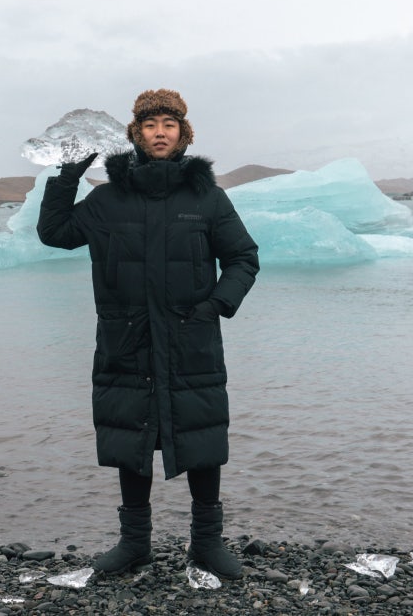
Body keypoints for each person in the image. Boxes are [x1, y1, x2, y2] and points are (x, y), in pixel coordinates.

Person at [37, 88, 259, 579]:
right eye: (151, 125)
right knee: (129, 435)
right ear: (136, 134)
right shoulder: (107, 199)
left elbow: (243, 258)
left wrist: (215, 306)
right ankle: (135, 544)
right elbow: (55, 233)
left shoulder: (206, 198)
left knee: (201, 434)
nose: (160, 133)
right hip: (126, 339)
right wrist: (67, 176)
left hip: (191, 338)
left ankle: (208, 544)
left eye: (169, 125)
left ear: (183, 134)